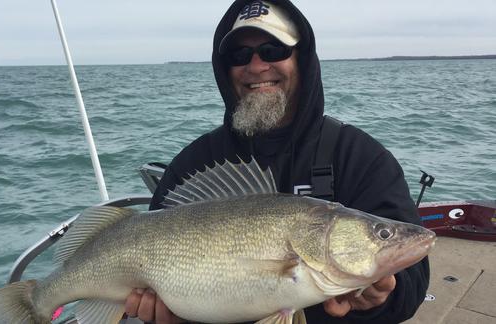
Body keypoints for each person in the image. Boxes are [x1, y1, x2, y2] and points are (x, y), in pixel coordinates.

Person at [125, 0, 430, 323]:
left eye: (273, 50)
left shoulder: (360, 157)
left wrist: (382, 296)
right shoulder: (193, 164)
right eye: (239, 56)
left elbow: (412, 283)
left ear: (302, 59)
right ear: (224, 69)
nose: (256, 67)